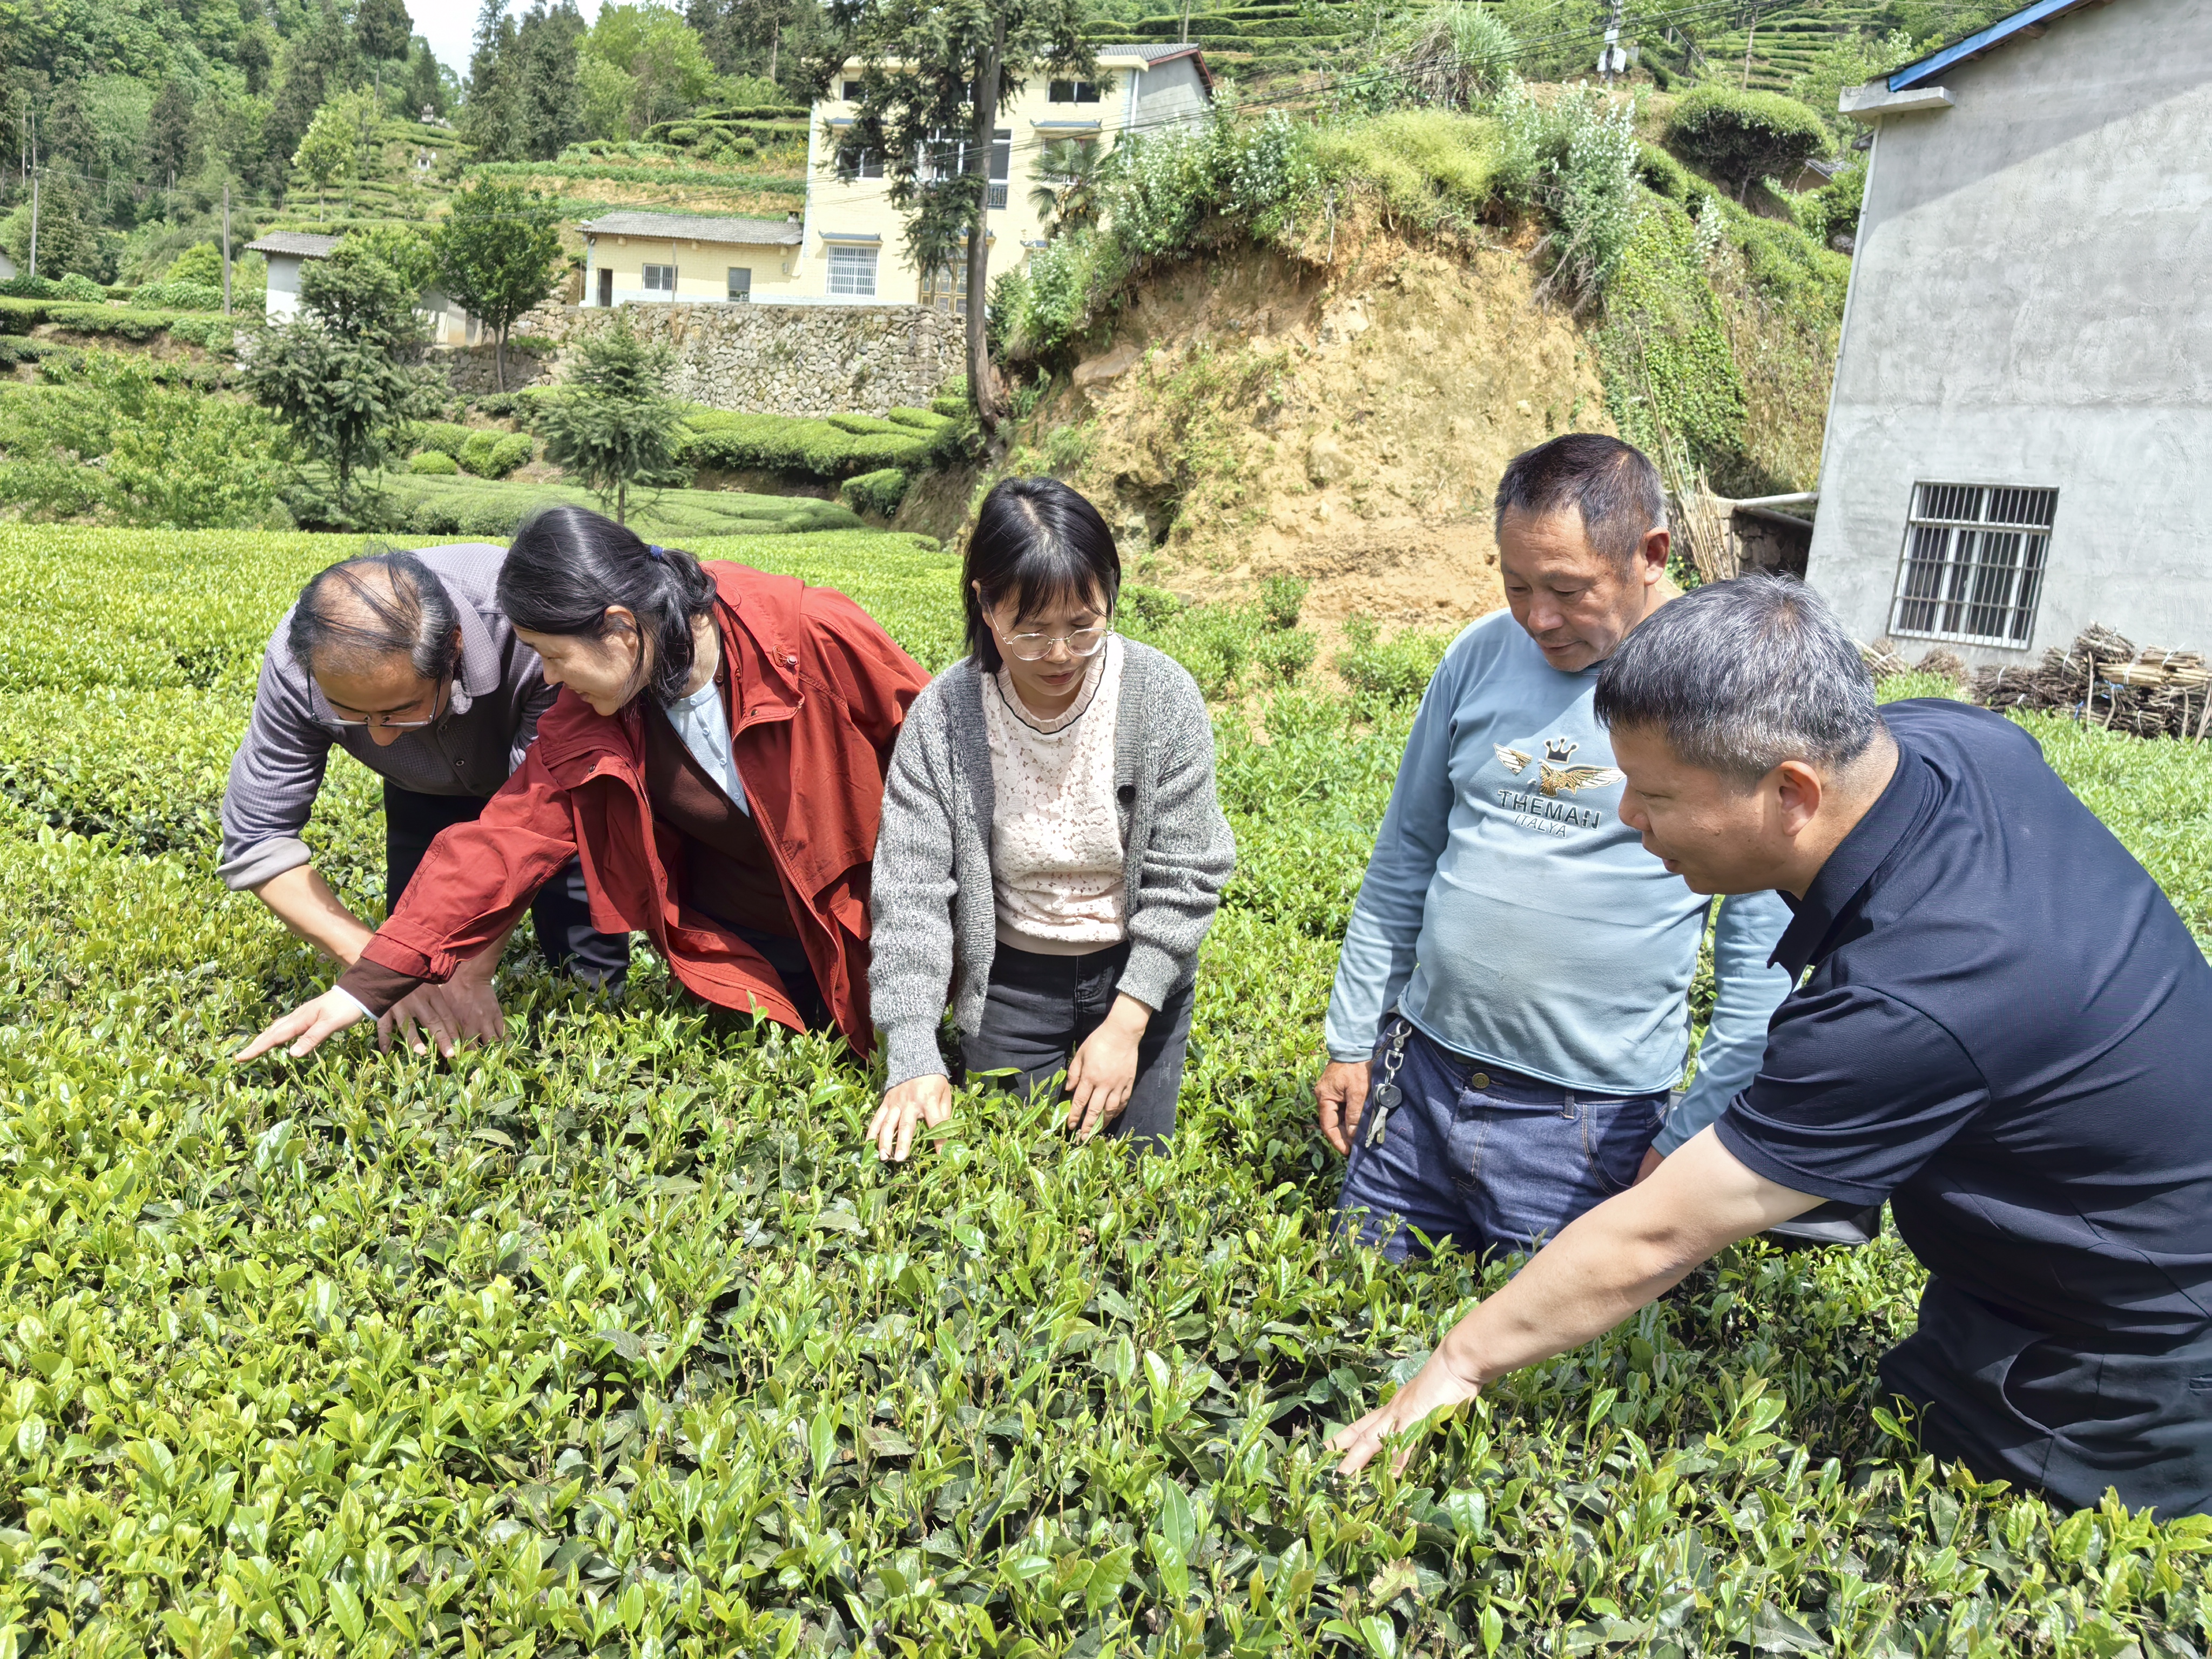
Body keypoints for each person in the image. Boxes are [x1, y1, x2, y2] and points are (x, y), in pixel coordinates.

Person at [1331, 572, 2212, 1517]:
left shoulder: (1917, 993)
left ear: (1792, 790)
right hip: (2014, 1283)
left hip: (2130, 1355)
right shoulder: (1947, 742)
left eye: (1656, 793)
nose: (1628, 819)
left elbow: (1661, 1229)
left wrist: (1458, 1362)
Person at [1317, 434, 1794, 1262]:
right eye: (1516, 587)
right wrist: (1353, 1039)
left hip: (1592, 1126)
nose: (1539, 618)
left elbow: (1759, 961)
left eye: (1568, 590)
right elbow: (1404, 859)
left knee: (1548, 1387)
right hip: (1417, 1083)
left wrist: (1690, 1134)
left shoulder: (1727, 692)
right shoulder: (1477, 655)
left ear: (1652, 555)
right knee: (1350, 1338)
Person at [233, 506, 929, 1064]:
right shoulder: (592, 710)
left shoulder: (804, 632)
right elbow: (507, 836)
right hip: (743, 932)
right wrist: (363, 989)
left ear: (621, 629)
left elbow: (938, 753)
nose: (550, 681)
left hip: (873, 914)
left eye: (554, 657)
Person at [865, 478, 1236, 1162]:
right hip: (1010, 985)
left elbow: (1187, 874)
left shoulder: (1160, 698)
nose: (1060, 654)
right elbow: (910, 892)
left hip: (1136, 981)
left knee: (1135, 1188)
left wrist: (1128, 1023)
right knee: (1014, 1180)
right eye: (1030, 631)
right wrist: (913, 1052)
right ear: (985, 602)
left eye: (1083, 625)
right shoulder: (945, 716)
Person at [221, 544, 631, 1056]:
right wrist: (386, 967)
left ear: (453, 648)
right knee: (417, 987)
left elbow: (535, 822)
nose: (383, 741)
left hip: (545, 796)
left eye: (400, 712)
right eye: (350, 716)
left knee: (586, 978)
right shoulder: (298, 659)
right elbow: (258, 839)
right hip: (423, 793)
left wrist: (472, 968)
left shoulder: (530, 631)